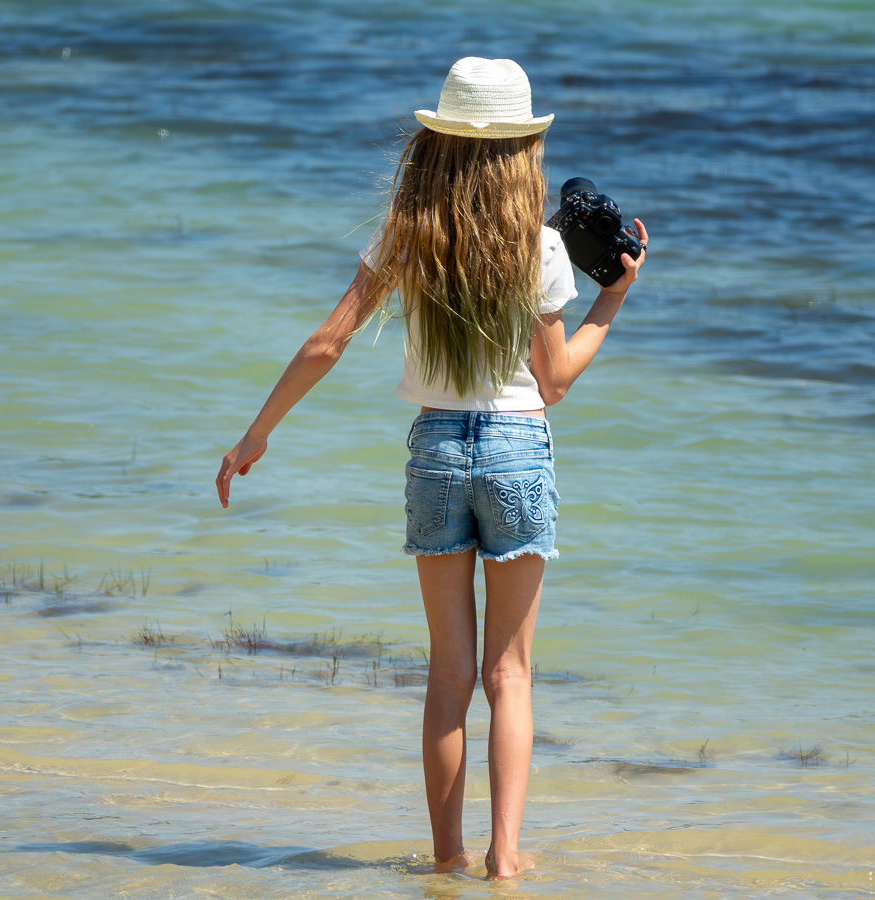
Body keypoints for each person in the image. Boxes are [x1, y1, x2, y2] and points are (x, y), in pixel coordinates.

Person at [215, 57, 646, 879]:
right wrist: (613, 299)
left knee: (450, 673)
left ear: (436, 142)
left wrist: (255, 435)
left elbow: (327, 343)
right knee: (509, 674)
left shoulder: (408, 234)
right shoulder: (542, 248)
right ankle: (505, 860)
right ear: (524, 150)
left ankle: (446, 861)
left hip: (437, 455)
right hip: (519, 447)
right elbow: (551, 384)